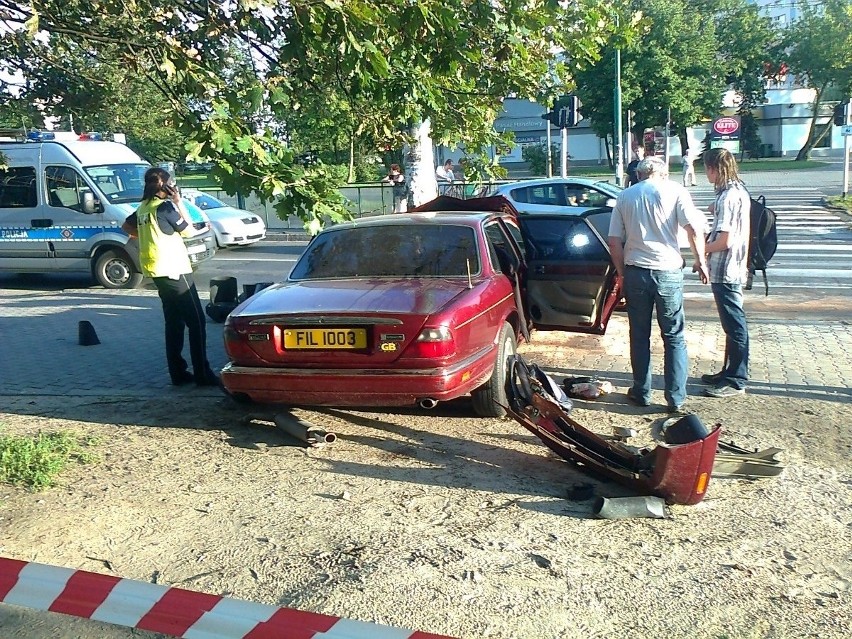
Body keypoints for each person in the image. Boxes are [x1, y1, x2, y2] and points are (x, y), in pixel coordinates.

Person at [607, 155, 709, 413]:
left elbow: (614, 241)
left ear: (639, 175)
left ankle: (642, 391)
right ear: (663, 173)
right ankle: (675, 397)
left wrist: (621, 275)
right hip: (668, 271)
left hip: (636, 272)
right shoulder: (676, 190)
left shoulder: (625, 196)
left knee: (639, 335)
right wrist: (700, 260)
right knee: (674, 335)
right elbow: (693, 230)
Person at [121, 168, 219, 387]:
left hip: (157, 272)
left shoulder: (144, 207)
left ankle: (178, 373)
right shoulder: (165, 207)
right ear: (166, 186)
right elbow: (190, 232)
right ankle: (203, 374)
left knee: (174, 322)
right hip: (175, 269)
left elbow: (126, 226)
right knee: (197, 322)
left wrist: (147, 234)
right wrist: (179, 202)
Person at [701, 148, 751, 398]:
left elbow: (724, 241)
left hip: (726, 267)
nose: (705, 174)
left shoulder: (727, 197)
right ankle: (729, 371)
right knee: (731, 325)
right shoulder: (737, 191)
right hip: (734, 266)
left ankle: (736, 379)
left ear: (713, 169)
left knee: (735, 325)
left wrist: (701, 251)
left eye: (706, 169)